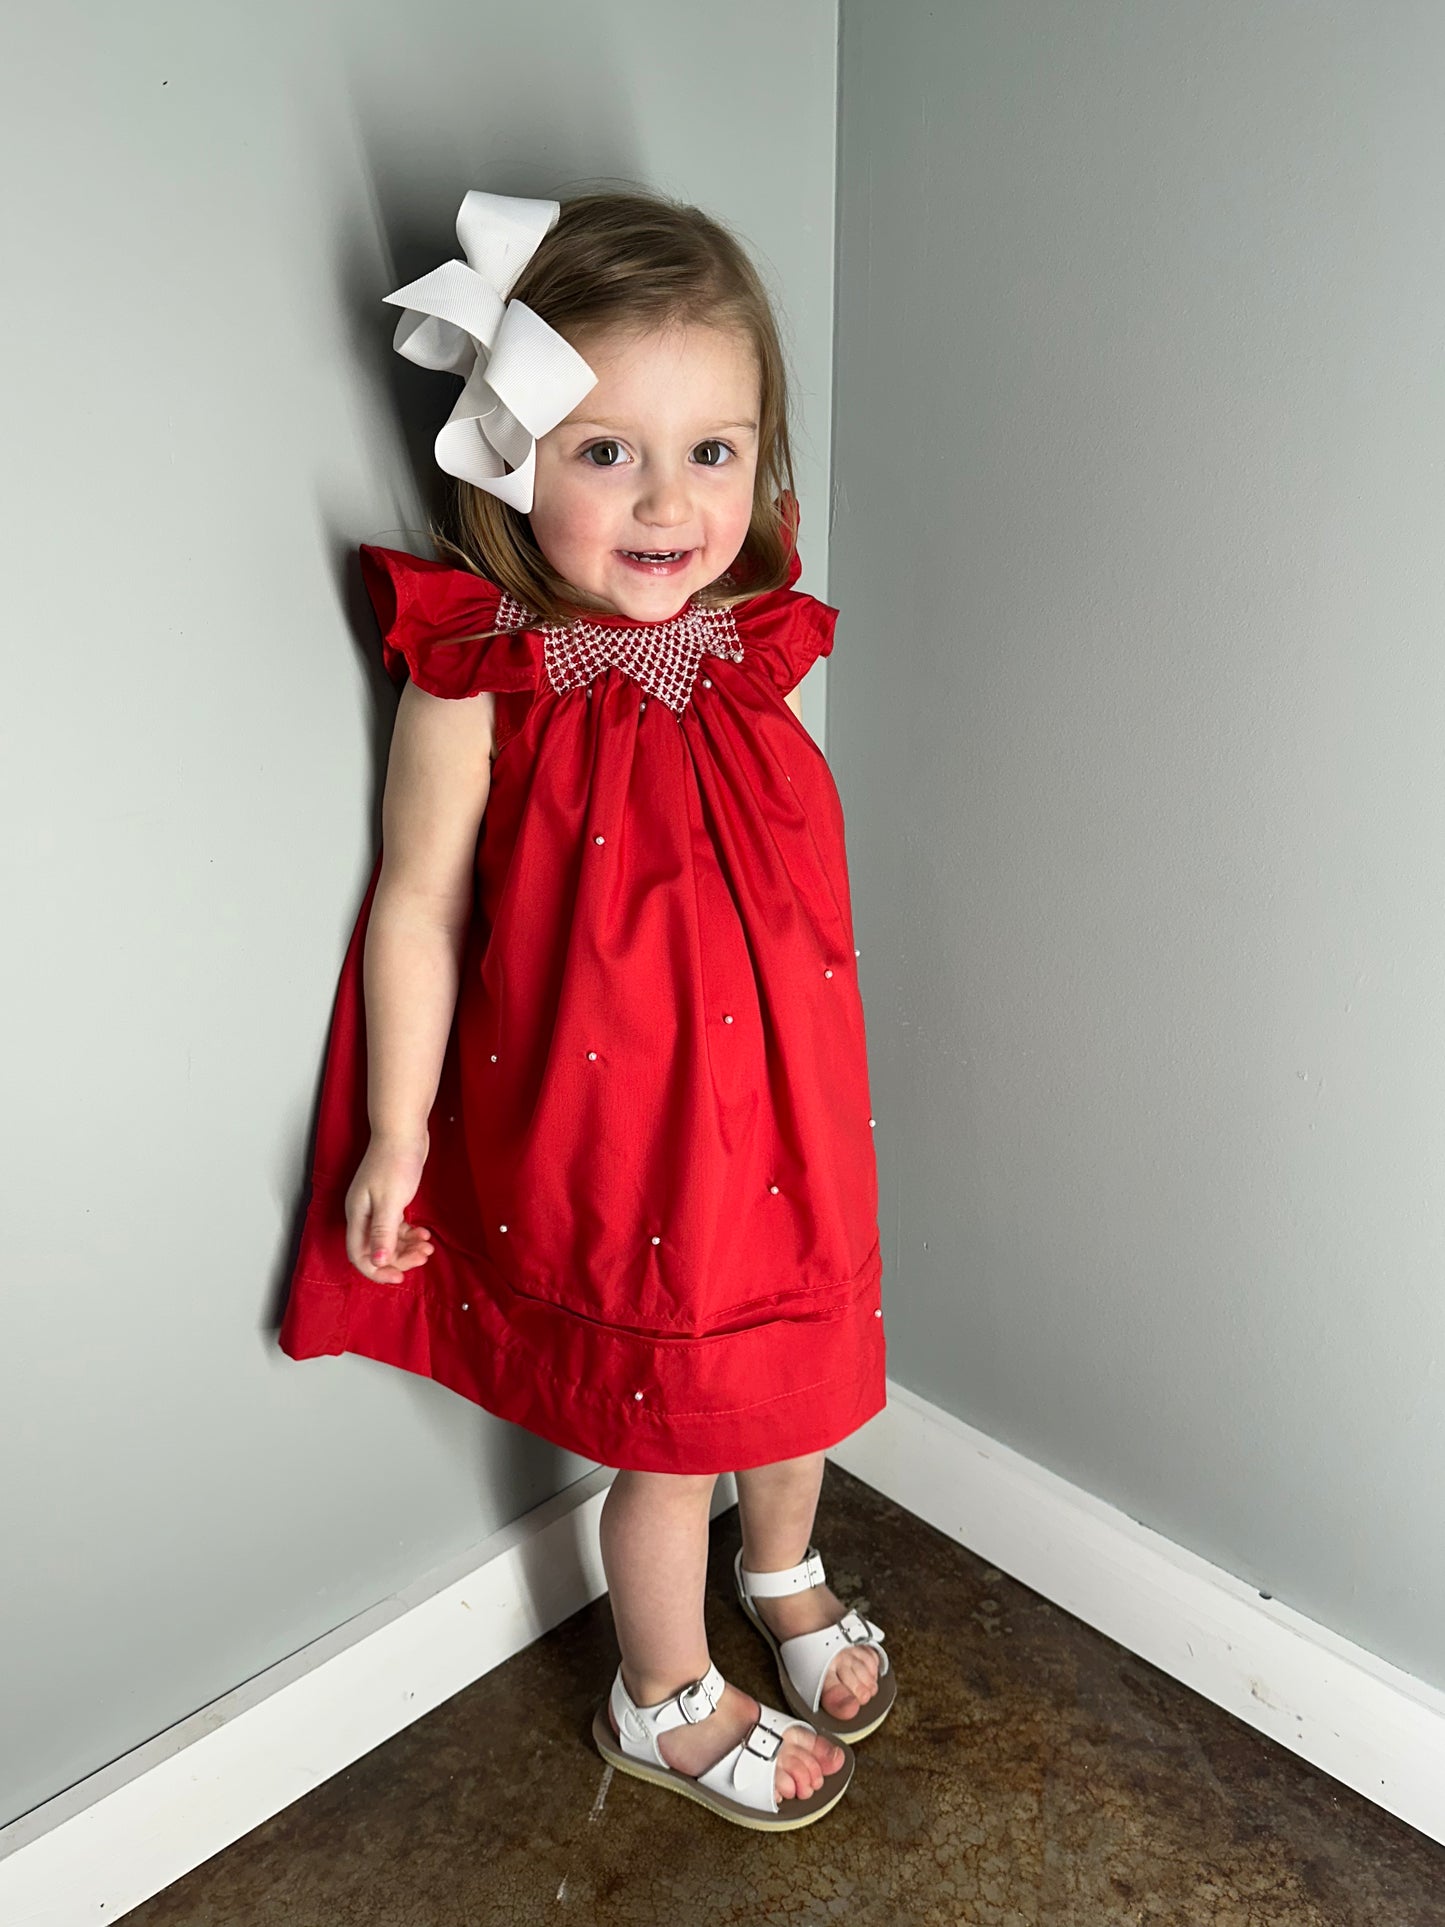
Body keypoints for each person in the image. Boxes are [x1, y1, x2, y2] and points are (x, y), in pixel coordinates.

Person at [278, 187, 896, 1829]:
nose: (667, 501)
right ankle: (661, 1687)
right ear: (507, 456)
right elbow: (415, 907)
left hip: (791, 1113)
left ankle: (786, 1573)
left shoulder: (749, 645)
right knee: (677, 1426)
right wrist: (398, 1132)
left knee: (805, 1383)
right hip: (634, 1146)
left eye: (712, 451)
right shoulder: (484, 674)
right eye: (606, 450)